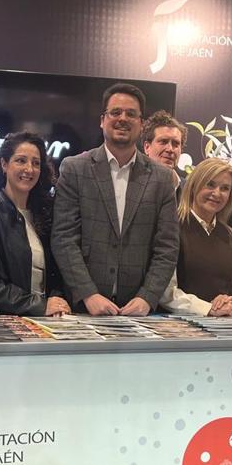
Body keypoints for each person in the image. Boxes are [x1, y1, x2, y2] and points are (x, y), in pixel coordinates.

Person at [51, 83, 179, 316]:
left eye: (131, 114)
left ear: (141, 123)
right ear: (102, 120)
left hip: (140, 312)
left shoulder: (162, 178)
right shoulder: (74, 169)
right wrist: (88, 294)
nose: (123, 119)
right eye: (115, 112)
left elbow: (167, 247)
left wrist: (147, 297)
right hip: (83, 309)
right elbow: (64, 238)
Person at [0, 133, 71, 315]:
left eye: (36, 163)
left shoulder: (46, 213)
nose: (29, 169)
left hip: (43, 321)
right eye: (21, 161)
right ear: (4, 164)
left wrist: (56, 301)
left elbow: (57, 272)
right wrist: (38, 305)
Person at [160, 157, 232, 316]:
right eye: (210, 184)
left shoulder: (231, 236)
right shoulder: (172, 228)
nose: (217, 193)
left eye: (224, 188)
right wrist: (208, 308)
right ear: (194, 185)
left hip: (227, 326)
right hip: (181, 326)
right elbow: (166, 292)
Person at [142, 110, 186, 195]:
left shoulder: (190, 190)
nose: (170, 149)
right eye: (163, 141)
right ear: (147, 147)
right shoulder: (132, 184)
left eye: (175, 144)